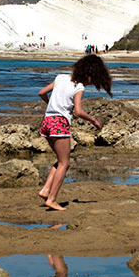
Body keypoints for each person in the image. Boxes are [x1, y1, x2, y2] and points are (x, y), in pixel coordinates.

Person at [37, 54, 112, 210]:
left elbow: (41, 93)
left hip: (47, 121)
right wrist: (94, 120)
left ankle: (45, 190)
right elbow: (78, 111)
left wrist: (51, 105)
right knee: (65, 163)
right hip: (59, 123)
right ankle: (51, 199)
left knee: (60, 160)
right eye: (93, 79)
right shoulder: (79, 87)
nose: (91, 83)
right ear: (88, 73)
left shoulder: (60, 77)